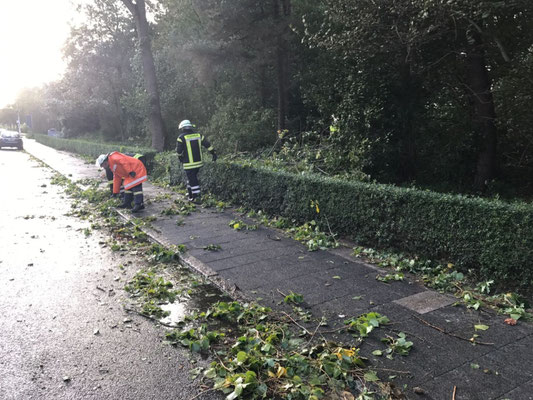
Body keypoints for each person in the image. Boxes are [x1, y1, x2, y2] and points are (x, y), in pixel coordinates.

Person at [176, 119, 217, 202]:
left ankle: (196, 196)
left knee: (192, 180)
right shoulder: (198, 135)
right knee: (191, 178)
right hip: (198, 163)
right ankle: (190, 193)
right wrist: (213, 154)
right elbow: (207, 145)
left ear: (183, 128)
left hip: (188, 164)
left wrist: (180, 158)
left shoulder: (181, 138)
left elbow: (179, 151)